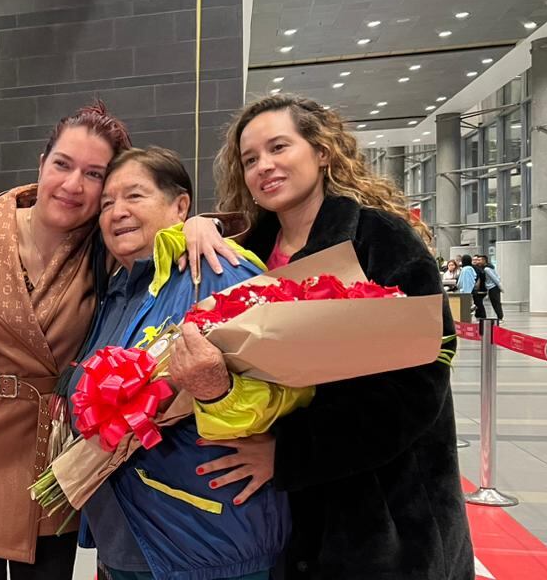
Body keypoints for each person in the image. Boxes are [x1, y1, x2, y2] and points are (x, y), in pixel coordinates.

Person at [177, 93, 473, 579]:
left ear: (321, 152)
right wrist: (196, 225)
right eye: (249, 160)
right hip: (283, 514)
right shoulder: (247, 254)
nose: (263, 167)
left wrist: (290, 453)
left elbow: (420, 384)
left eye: (278, 148)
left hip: (383, 510)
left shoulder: (380, 238)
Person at [66, 147, 307, 580]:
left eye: (134, 196)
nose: (117, 212)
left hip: (208, 543)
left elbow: (291, 385)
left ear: (180, 205)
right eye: (106, 203)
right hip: (132, 539)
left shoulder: (215, 271)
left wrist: (226, 399)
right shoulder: (119, 292)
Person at [0, 101, 131, 579]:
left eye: (94, 174)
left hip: (52, 450)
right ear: (42, 162)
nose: (73, 185)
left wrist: (202, 227)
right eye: (62, 164)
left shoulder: (110, 246)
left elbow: (168, 235)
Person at [473, 255, 504, 321]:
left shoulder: (486, 269)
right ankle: (500, 317)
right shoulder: (488, 267)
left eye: (479, 260)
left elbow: (495, 278)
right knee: (495, 303)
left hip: (493, 287)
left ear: (484, 260)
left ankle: (500, 317)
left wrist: (500, 286)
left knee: (496, 303)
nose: (478, 262)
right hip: (491, 287)